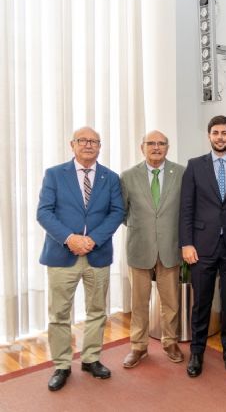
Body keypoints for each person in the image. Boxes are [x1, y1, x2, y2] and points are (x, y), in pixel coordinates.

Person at [36, 127, 125, 391]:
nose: (89, 145)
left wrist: (92, 240)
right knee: (59, 314)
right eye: (83, 140)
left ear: (100, 146)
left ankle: (91, 359)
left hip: (97, 255)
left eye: (94, 141)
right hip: (62, 254)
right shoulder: (54, 174)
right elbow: (44, 212)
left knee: (97, 310)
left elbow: (117, 212)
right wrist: (70, 238)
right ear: (72, 144)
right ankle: (62, 364)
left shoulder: (110, 177)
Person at [179, 115, 226, 377]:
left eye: (224, 133)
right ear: (209, 136)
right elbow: (186, 208)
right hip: (202, 245)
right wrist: (186, 243)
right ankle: (196, 352)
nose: (220, 137)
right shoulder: (195, 166)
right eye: (215, 133)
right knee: (202, 302)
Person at [120, 131, 185, 368]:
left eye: (161, 144)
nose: (156, 147)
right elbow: (123, 213)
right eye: (151, 143)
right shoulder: (127, 176)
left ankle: (170, 342)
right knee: (138, 302)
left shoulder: (180, 173)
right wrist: (144, 228)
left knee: (171, 302)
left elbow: (185, 209)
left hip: (170, 247)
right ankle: (138, 347)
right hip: (140, 246)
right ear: (142, 147)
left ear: (167, 148)